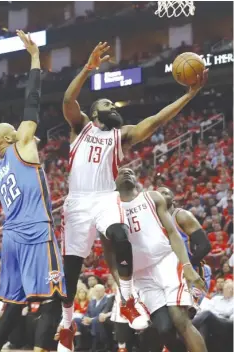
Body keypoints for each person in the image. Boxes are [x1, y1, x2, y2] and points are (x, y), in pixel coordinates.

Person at [58, 41, 208, 351]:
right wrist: (88, 68)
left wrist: (188, 95)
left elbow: (155, 121)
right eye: (108, 105)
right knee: (71, 270)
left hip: (106, 207)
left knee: (178, 319)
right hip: (78, 204)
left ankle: (126, 299)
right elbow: (68, 98)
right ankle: (66, 322)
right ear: (95, 112)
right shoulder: (81, 128)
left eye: (114, 105)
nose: (114, 108)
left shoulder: (121, 136)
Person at [0, 30, 66, 352]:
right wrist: (34, 58)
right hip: (35, 231)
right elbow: (31, 102)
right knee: (53, 299)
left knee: (14, 305)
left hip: (11, 237)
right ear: (9, 138)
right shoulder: (20, 146)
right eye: (18, 131)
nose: (28, 133)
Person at [113, 168, 208, 352]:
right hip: (140, 274)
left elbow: (192, 241)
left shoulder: (164, 205)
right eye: (121, 171)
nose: (127, 173)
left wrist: (188, 265)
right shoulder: (110, 210)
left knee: (181, 320)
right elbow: (111, 253)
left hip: (169, 263)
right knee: (164, 329)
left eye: (131, 171)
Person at [158, 187, 211, 282]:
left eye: (165, 193)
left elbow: (205, 245)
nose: (162, 196)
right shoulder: (155, 222)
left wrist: (187, 267)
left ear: (173, 199)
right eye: (159, 194)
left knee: (186, 297)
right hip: (170, 273)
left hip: (192, 270)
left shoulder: (182, 216)